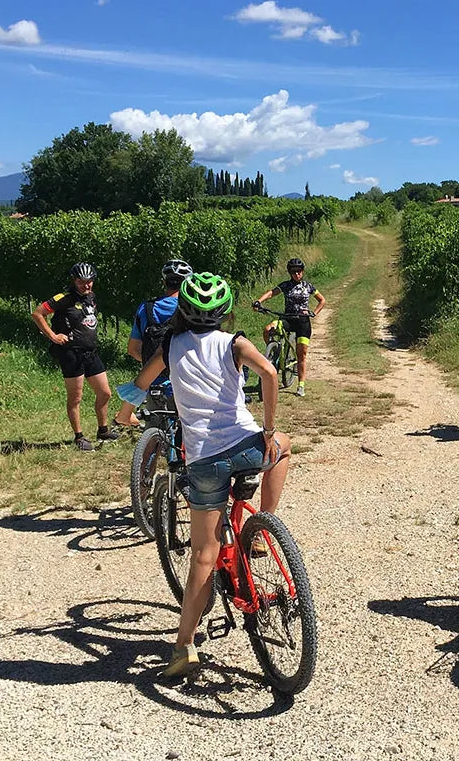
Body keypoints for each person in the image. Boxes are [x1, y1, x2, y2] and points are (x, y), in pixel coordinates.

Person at [118, 272, 292, 679]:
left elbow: (139, 386)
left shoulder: (170, 346)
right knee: (284, 446)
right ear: (226, 312)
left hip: (204, 462)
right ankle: (263, 525)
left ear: (183, 311)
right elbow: (268, 373)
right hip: (247, 448)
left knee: (202, 556)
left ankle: (183, 647)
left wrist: (126, 414)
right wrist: (266, 430)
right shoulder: (235, 343)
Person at [32, 262, 120, 451]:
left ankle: (103, 430)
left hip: (91, 352)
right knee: (76, 397)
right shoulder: (64, 298)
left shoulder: (91, 297)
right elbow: (38, 313)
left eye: (89, 282)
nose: (86, 285)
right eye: (81, 282)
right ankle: (79, 436)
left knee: (105, 393)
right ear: (74, 281)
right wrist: (53, 336)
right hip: (71, 353)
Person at [114, 259, 192, 428]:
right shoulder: (192, 308)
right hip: (185, 380)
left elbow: (133, 349)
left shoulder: (145, 308)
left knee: (154, 437)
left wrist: (153, 367)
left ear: (164, 281)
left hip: (153, 383)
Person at [255, 257, 325, 398]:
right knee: (268, 329)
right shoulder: (286, 285)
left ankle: (301, 385)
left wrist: (314, 313)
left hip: (303, 322)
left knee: (301, 354)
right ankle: (273, 352)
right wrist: (259, 301)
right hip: (287, 318)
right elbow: (272, 292)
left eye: (299, 271)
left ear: (303, 272)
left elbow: (322, 300)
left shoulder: (308, 286)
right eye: (293, 272)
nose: (296, 274)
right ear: (289, 272)